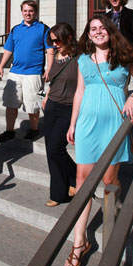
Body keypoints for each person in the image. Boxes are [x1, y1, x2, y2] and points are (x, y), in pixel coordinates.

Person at [64, 15, 133, 266]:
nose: (98, 32)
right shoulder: (82, 60)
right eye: (93, 29)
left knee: (108, 182)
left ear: (110, 30)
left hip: (114, 124)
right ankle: (79, 242)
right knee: (82, 181)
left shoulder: (124, 56)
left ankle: (115, 215)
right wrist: (72, 124)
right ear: (88, 35)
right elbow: (79, 92)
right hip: (87, 125)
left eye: (102, 27)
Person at [0, 0, 54, 143]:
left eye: (31, 11)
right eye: (25, 11)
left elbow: (50, 51)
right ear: (22, 12)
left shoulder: (44, 29)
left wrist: (49, 69)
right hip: (15, 72)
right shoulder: (15, 29)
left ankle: (34, 130)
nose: (28, 13)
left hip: (34, 73)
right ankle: (10, 131)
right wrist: (1, 66)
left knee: (32, 105)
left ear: (35, 12)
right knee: (10, 104)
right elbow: (9, 50)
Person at [42, 23, 78, 207]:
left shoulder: (80, 57)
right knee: (50, 151)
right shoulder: (56, 56)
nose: (54, 43)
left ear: (69, 37)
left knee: (56, 148)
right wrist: (47, 97)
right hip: (52, 106)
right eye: (52, 40)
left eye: (57, 40)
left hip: (69, 108)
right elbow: (53, 81)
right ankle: (59, 193)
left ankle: (77, 177)